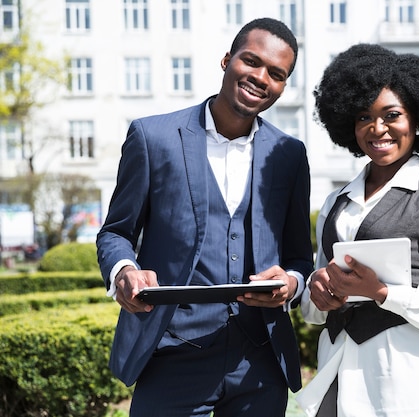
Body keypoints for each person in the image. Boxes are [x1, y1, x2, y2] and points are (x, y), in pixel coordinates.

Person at [96, 18, 313, 417]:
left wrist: (293, 282)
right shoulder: (153, 137)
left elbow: (301, 256)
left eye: (277, 74)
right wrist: (125, 270)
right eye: (251, 61)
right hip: (172, 353)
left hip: (259, 362)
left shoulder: (290, 154)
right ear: (227, 59)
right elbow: (115, 233)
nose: (261, 78)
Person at [296, 44, 419, 417]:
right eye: (364, 116)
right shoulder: (336, 201)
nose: (377, 128)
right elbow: (312, 312)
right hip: (337, 379)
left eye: (391, 115)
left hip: (408, 386)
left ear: (417, 121)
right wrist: (316, 291)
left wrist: (382, 293)